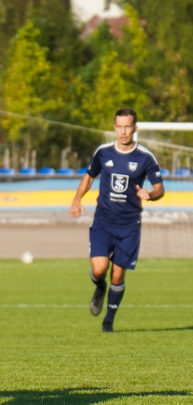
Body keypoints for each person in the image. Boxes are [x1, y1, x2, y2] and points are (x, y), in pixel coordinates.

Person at [69, 108, 164, 333]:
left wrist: (150, 194)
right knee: (100, 269)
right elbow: (89, 176)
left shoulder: (145, 157)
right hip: (103, 221)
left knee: (118, 274)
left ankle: (108, 320)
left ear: (135, 128)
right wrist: (76, 199)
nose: (123, 131)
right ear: (114, 127)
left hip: (129, 225)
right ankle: (99, 287)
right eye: (119, 126)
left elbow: (160, 188)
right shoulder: (103, 152)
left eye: (128, 126)